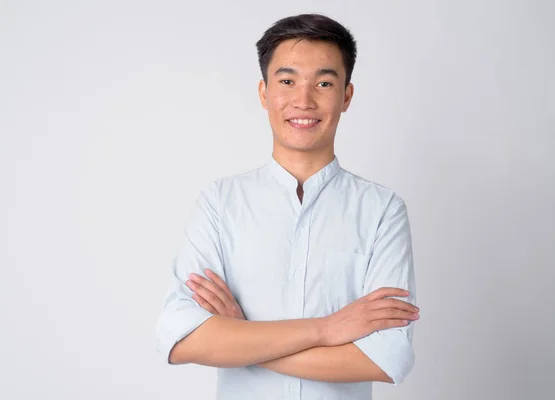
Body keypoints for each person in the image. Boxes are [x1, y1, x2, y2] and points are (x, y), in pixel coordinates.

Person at [155, 13, 420, 400]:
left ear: (346, 96)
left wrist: (243, 338)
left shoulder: (382, 210)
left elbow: (385, 359)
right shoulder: (220, 202)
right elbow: (181, 338)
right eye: (287, 81)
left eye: (324, 83)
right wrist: (328, 329)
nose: (303, 100)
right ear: (264, 93)